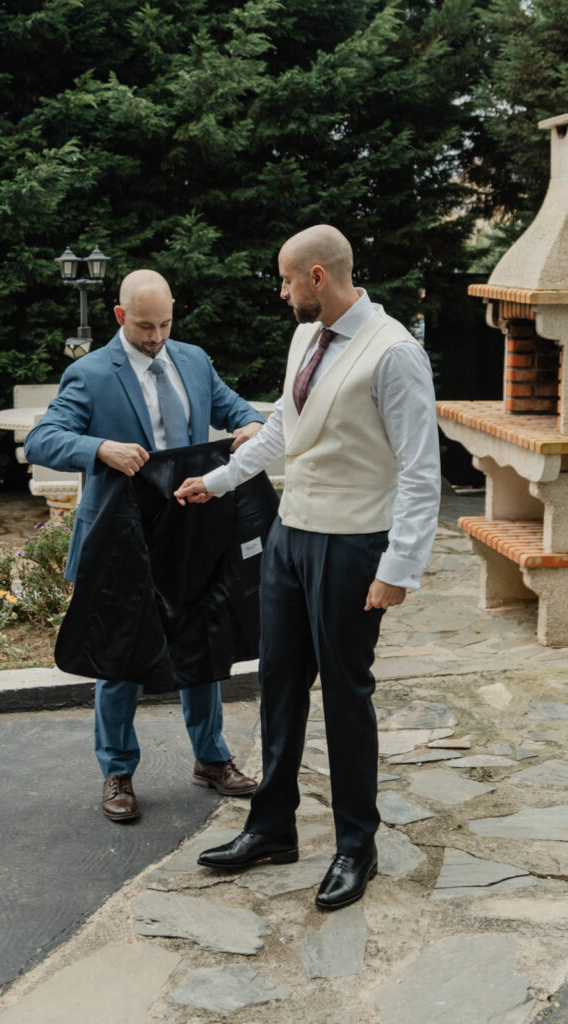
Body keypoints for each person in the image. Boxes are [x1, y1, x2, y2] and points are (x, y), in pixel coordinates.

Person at [174, 225, 441, 910]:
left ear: (318, 276)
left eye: (288, 280)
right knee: (279, 686)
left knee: (346, 698)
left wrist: (399, 568)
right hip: (290, 538)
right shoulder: (304, 336)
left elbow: (419, 472)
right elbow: (282, 426)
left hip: (353, 548)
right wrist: (223, 478)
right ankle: (271, 828)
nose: (282, 290)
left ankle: (356, 845)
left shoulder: (394, 354)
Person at [24, 269, 265, 822]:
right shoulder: (88, 373)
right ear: (119, 316)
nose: (155, 336)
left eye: (164, 323)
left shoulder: (194, 360)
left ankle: (211, 759)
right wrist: (99, 447)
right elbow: (41, 440)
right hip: (122, 536)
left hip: (189, 531)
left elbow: (237, 410)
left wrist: (251, 426)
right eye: (143, 326)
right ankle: (117, 773)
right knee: (120, 657)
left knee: (203, 647)